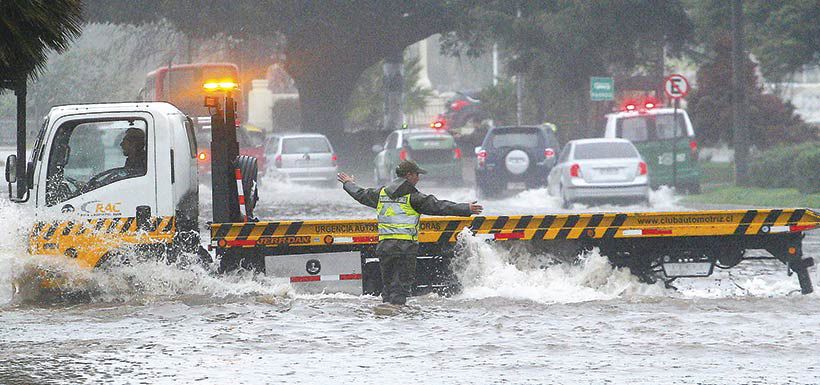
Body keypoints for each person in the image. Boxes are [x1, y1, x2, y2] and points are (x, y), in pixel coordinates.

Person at [338, 160, 483, 305]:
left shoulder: (381, 194)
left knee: (388, 289)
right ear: (409, 175)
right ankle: (400, 322)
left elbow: (360, 194)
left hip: (385, 248)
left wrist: (348, 183)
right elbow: (440, 207)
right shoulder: (414, 197)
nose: (418, 178)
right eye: (417, 174)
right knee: (400, 290)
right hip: (405, 249)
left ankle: (386, 319)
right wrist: (466, 208)